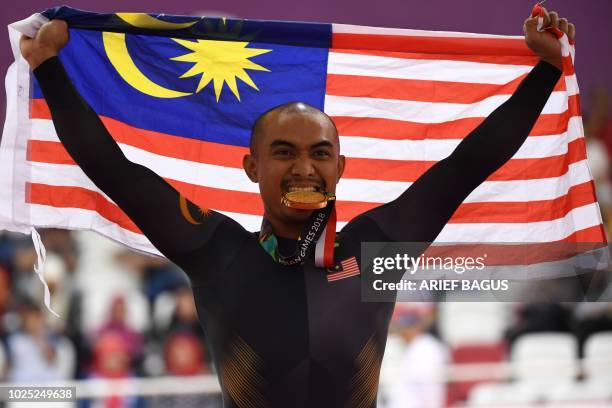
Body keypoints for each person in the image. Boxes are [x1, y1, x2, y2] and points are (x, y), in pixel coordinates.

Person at [19, 8, 573, 407]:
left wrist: (546, 70)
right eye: (284, 153)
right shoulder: (217, 251)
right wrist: (49, 69)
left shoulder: (375, 250)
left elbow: (467, 165)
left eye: (320, 154)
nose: (305, 168)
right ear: (252, 168)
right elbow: (116, 172)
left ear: (341, 168)